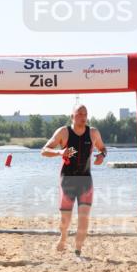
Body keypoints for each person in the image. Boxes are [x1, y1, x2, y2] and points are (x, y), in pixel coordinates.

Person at [42, 104, 106, 261]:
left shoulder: (93, 133)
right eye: (79, 114)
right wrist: (59, 152)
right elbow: (44, 150)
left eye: (85, 114)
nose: (83, 117)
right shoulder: (63, 132)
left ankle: (77, 251)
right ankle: (63, 237)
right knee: (65, 220)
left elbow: (103, 148)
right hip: (67, 180)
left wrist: (101, 156)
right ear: (72, 116)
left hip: (85, 180)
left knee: (84, 217)